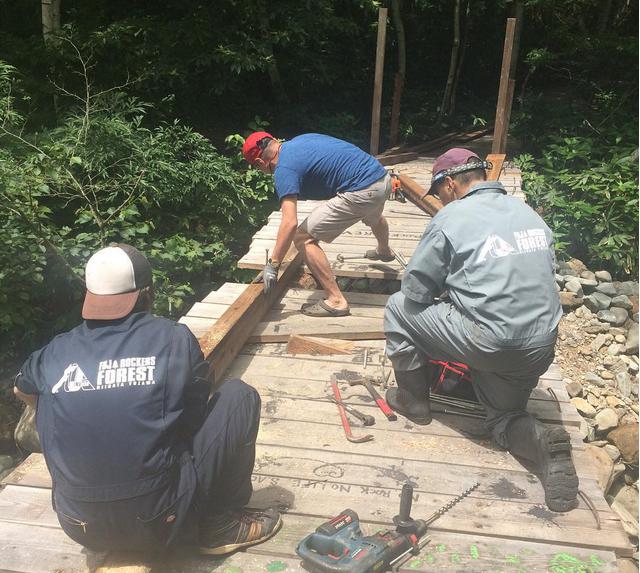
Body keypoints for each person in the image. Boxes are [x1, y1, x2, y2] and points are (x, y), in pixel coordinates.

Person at [13, 244, 282, 554]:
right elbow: (193, 421)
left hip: (79, 525)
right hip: (159, 520)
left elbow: (22, 389)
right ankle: (219, 524)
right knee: (239, 396)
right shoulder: (172, 338)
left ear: (90, 296)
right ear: (146, 293)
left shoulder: (53, 352)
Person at [383, 148, 579, 512]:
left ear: (451, 183)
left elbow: (415, 290)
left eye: (439, 192)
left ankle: (414, 402)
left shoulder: (451, 217)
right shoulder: (529, 214)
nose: (441, 199)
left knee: (398, 308)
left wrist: (448, 292)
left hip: (489, 341)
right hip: (540, 343)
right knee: (503, 418)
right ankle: (542, 441)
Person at [242, 131, 394, 316]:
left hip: (362, 190)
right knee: (373, 215)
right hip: (382, 178)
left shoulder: (283, 169)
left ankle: (336, 301)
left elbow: (289, 222)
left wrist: (273, 265)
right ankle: (384, 251)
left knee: (302, 237)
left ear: (259, 162)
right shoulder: (301, 139)